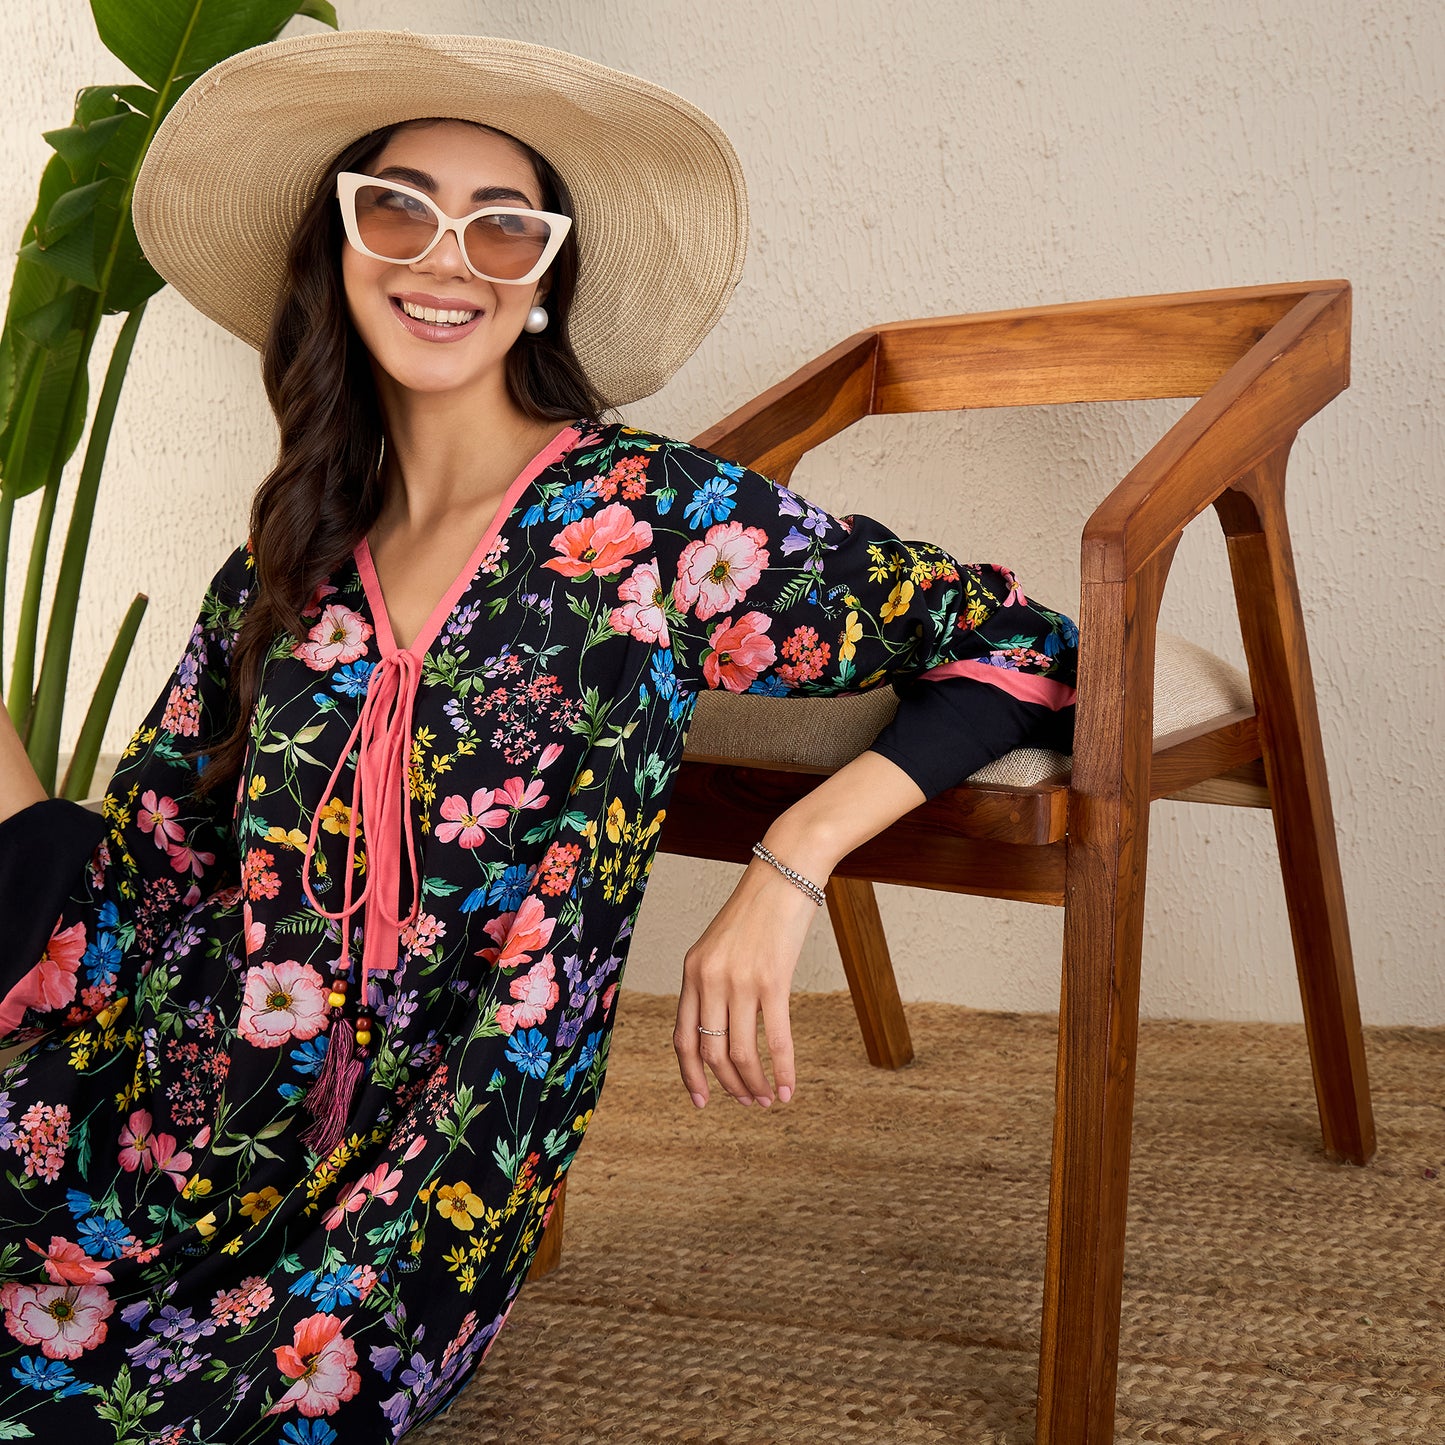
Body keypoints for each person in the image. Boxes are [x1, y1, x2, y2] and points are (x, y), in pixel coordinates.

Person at [0, 28, 1078, 1441]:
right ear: (336, 247)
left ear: (541, 285)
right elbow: (156, 867)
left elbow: (1018, 640)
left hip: (419, 1198)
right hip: (178, 1123)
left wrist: (789, 862)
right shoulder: (288, 558)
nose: (447, 257)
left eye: (502, 226)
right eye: (398, 206)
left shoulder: (654, 518)